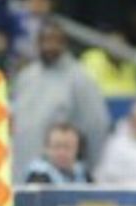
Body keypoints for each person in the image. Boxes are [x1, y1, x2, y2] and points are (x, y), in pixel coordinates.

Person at [11, 20, 110, 182]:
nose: (49, 46)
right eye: (45, 41)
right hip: (21, 173)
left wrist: (88, 172)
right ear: (37, 44)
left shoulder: (80, 79)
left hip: (61, 180)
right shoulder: (25, 77)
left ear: (65, 44)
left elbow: (96, 128)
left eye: (55, 41)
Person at [25, 123, 92, 184]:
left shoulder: (83, 174)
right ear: (46, 148)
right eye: (57, 146)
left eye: (67, 147)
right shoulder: (38, 175)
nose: (62, 152)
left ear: (77, 149)